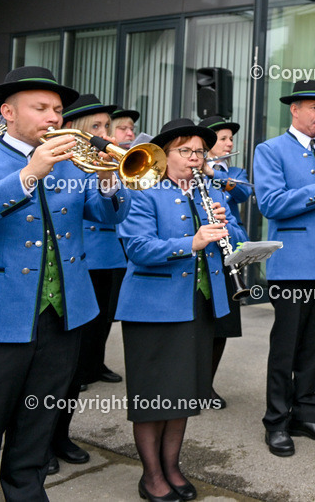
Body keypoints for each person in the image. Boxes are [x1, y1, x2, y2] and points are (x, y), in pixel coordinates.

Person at [0, 67, 129, 502]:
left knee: (39, 420)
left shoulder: (72, 161)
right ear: (7, 112)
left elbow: (107, 216)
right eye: (41, 108)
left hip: (64, 312)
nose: (53, 117)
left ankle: (27, 492)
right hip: (4, 315)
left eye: (57, 109)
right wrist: (31, 171)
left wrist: (109, 178)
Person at [116, 118, 242, 501]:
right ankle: (151, 475)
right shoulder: (144, 190)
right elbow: (137, 248)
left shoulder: (209, 189)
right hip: (153, 307)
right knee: (154, 396)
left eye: (199, 152)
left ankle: (172, 466)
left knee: (183, 393)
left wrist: (225, 227)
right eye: (184, 151)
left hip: (199, 305)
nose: (193, 158)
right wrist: (191, 241)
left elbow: (237, 235)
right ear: (163, 155)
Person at [253, 80, 315, 457]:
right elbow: (270, 203)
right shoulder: (270, 150)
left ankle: (306, 413)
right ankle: (276, 421)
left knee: (314, 346)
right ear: (294, 110)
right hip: (293, 265)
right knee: (285, 348)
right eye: (314, 107)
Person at [50, 94, 127, 471]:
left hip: (92, 267)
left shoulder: (93, 168)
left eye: (106, 128)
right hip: (67, 269)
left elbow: (110, 214)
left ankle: (60, 434)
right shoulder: (58, 163)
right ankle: (38, 443)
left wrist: (109, 177)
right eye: (95, 128)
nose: (103, 135)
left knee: (75, 364)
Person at [200, 115, 253, 409]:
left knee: (223, 323)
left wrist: (212, 173)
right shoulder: (188, 170)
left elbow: (245, 191)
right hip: (201, 250)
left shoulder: (233, 172)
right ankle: (189, 383)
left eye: (231, 139)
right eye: (223, 139)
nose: (230, 143)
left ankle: (206, 385)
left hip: (229, 250)